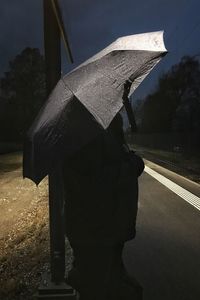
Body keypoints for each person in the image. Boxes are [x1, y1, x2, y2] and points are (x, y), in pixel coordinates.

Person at [63, 113, 144, 300]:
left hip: (106, 230)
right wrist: (132, 166)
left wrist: (127, 156)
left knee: (114, 286)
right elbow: (95, 181)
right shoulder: (87, 133)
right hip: (97, 232)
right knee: (100, 288)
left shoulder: (102, 131)